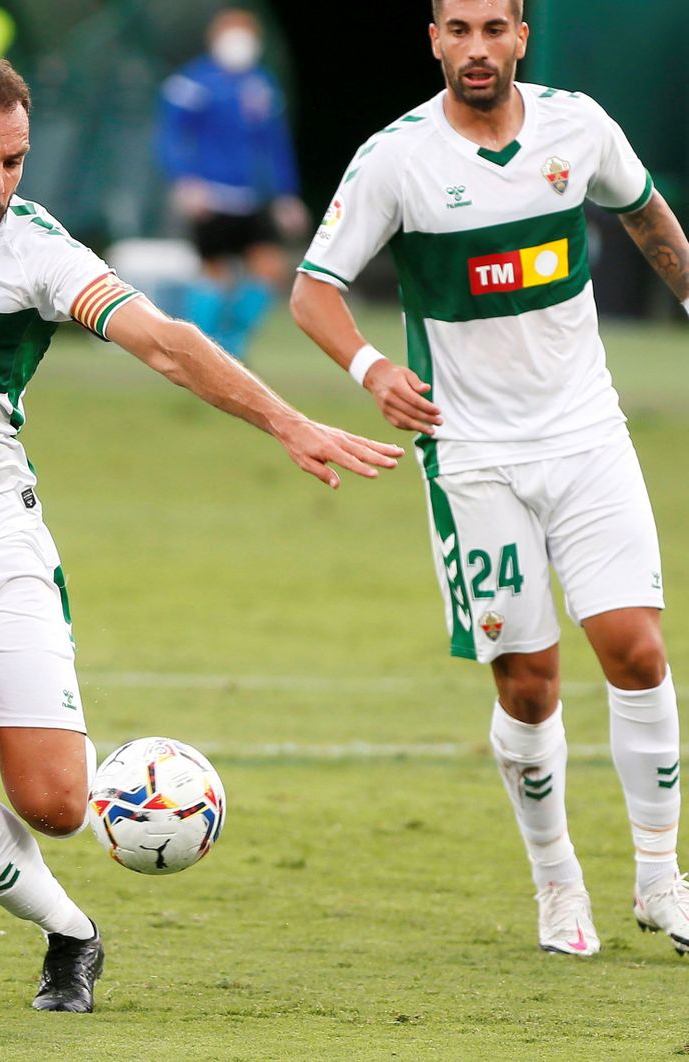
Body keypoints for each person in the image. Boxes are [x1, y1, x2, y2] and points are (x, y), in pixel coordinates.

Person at [0, 58, 402, 1012]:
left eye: (13, 161)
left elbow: (162, 339)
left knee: (55, 804)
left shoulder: (38, 250)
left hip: (0, 550)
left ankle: (28, 764)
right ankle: (71, 934)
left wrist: (290, 421)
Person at [291, 0, 689, 957]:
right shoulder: (398, 157)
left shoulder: (579, 125)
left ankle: (660, 880)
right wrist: (372, 370)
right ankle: (558, 885)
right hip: (471, 458)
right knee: (529, 684)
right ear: (432, 39)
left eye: (493, 29)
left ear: (522, 35)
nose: (476, 48)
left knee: (636, 650)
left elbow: (647, 218)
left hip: (588, 435)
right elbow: (313, 292)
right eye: (457, 29)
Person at [157, 7, 306, 360]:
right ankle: (198, 349)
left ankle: (233, 342)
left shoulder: (261, 84)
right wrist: (185, 181)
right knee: (215, 273)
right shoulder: (192, 82)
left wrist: (286, 195)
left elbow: (274, 144)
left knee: (270, 268)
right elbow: (172, 136)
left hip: (251, 198)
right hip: (211, 196)